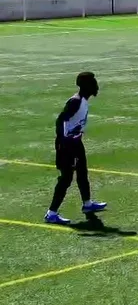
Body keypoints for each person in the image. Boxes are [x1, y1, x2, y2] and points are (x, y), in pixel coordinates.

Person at [45, 72, 108, 225]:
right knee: (66, 178)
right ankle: (51, 213)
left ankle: (87, 204)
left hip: (76, 142)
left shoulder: (83, 101)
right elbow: (60, 120)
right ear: (86, 86)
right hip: (67, 145)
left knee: (82, 173)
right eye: (93, 82)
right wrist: (63, 140)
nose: (96, 85)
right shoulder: (76, 101)